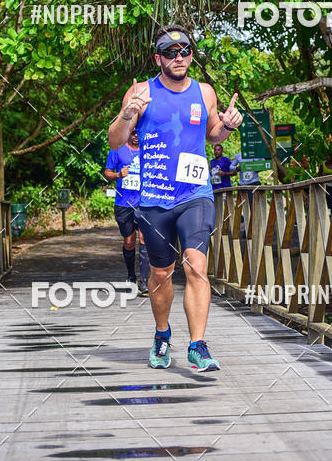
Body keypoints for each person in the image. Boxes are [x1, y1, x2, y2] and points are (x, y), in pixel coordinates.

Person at [108, 24, 243, 372]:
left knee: (196, 266)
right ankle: (162, 333)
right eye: (170, 52)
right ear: (158, 58)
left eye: (185, 51)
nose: (179, 57)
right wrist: (129, 113)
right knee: (161, 273)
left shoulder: (205, 92)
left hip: (195, 193)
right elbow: (115, 140)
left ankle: (197, 345)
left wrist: (227, 125)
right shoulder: (141, 91)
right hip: (153, 199)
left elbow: (213, 135)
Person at [104, 130, 150, 296]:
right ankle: (131, 276)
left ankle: (144, 281)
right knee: (129, 241)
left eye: (139, 133)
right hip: (124, 203)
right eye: (133, 133)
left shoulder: (149, 149)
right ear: (128, 134)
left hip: (144, 203)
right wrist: (118, 174)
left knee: (145, 239)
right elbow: (107, 173)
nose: (136, 136)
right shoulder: (118, 149)